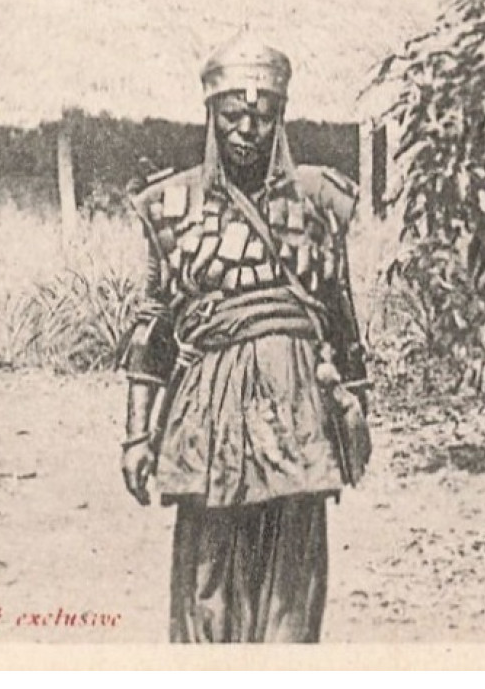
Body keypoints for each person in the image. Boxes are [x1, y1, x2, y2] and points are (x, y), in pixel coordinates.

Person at [118, 35, 369, 643]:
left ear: (279, 119)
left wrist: (358, 410)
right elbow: (154, 324)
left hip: (297, 408)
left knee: (292, 573)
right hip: (207, 413)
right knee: (207, 572)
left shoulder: (318, 202)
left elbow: (340, 314)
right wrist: (135, 435)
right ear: (211, 116)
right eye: (232, 116)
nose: (246, 131)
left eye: (261, 117)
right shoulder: (173, 205)